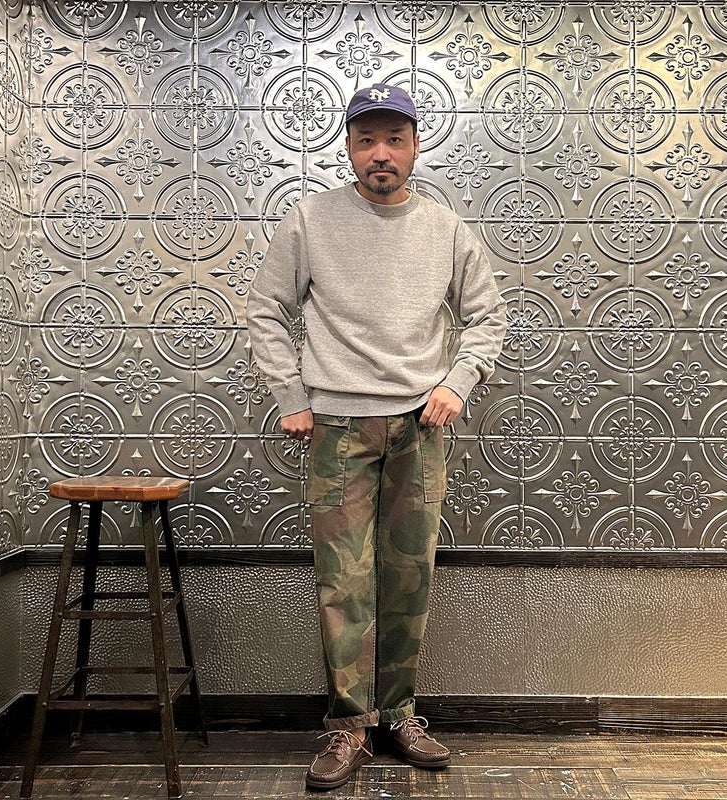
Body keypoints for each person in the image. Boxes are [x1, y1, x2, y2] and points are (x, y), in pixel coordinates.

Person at [246, 83, 506, 790]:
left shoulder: (446, 229)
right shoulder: (310, 220)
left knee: (409, 576)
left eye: (394, 139)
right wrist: (291, 395)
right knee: (344, 581)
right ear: (350, 148)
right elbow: (267, 310)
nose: (380, 153)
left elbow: (487, 317)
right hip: (335, 427)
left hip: (421, 425)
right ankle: (349, 727)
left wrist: (457, 383)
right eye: (367, 141)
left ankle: (400, 716)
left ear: (416, 146)